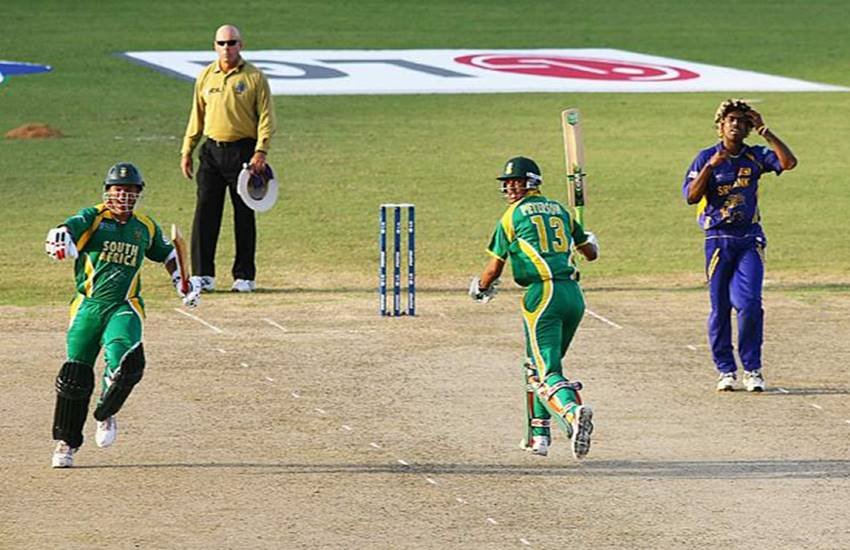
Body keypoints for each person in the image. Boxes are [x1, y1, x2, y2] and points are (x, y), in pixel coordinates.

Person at [44, 162, 201, 468]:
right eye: (118, 190)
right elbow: (69, 228)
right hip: (88, 306)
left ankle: (106, 412)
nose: (123, 196)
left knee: (124, 359)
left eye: (130, 191)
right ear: (108, 191)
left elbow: (168, 253)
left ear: (138, 194)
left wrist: (181, 281)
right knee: (75, 377)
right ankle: (67, 443)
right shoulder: (93, 217)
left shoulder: (145, 226)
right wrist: (61, 235)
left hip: (125, 305)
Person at [469, 156, 599, 459]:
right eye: (507, 183)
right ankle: (538, 435)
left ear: (531, 183)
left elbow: (494, 268)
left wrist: (480, 288)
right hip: (573, 296)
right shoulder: (562, 211)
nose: (510, 188)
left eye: (515, 181)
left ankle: (572, 413)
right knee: (537, 366)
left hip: (542, 296)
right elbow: (590, 253)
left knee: (546, 372)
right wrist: (590, 238)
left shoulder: (511, 217)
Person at [683, 99, 797, 392]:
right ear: (721, 125)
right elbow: (691, 197)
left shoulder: (755, 156)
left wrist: (765, 130)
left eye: (743, 122)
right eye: (732, 120)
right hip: (718, 239)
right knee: (720, 309)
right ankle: (725, 370)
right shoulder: (705, 157)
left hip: (749, 239)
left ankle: (752, 369)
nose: (737, 125)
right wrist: (711, 167)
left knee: (749, 306)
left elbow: (788, 163)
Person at [180, 24, 277, 293]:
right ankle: (203, 274)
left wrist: (261, 151)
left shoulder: (255, 77)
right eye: (221, 43)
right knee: (205, 213)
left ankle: (244, 276)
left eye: (232, 43)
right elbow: (196, 116)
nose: (227, 48)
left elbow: (267, 118)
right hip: (211, 152)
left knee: (244, 214)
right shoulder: (205, 76)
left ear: (240, 45)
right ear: (214, 46)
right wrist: (187, 150)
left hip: (243, 153)